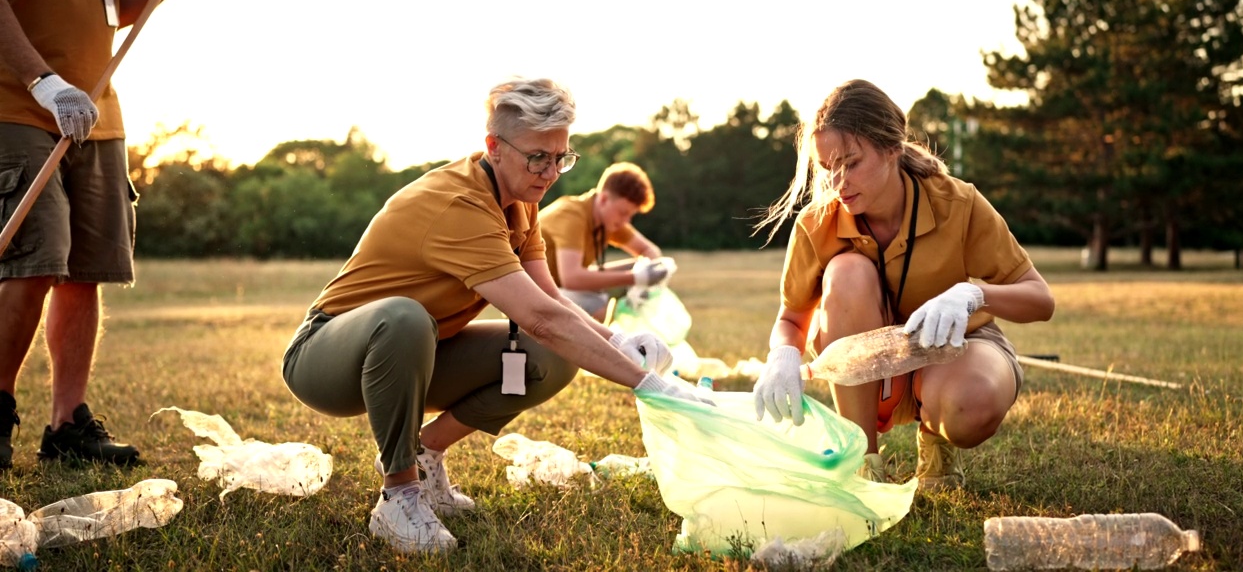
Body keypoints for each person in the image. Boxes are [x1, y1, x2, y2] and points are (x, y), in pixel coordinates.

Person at [280, 78, 707, 555]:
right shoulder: (459, 203)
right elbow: (540, 316)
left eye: (561, 157)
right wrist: (647, 384)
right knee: (406, 318)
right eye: (537, 157)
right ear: (494, 147)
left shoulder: (522, 202)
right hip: (325, 357)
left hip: (420, 351)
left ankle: (425, 455)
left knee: (549, 356)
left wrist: (618, 338)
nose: (550, 172)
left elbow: (549, 301)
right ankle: (398, 495)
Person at [0, 0, 203, 469]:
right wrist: (43, 83)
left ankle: (67, 427)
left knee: (86, 267)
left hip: (96, 114)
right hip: (18, 103)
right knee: (36, 255)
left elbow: (116, 10)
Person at [751, 79, 1054, 489]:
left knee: (973, 405)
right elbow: (791, 318)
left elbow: (1040, 300)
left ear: (892, 148)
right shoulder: (815, 224)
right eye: (827, 169)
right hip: (871, 376)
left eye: (851, 163)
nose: (837, 183)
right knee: (847, 273)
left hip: (953, 354)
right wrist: (782, 357)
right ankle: (863, 462)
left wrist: (973, 294)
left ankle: (935, 441)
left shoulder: (958, 202)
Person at [540, 161, 673, 321]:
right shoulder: (572, 216)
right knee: (597, 306)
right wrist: (635, 278)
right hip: (531, 296)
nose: (626, 221)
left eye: (631, 215)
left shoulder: (607, 219)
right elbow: (571, 278)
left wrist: (650, 272)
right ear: (603, 199)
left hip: (559, 289)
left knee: (638, 267)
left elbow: (649, 251)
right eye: (623, 213)